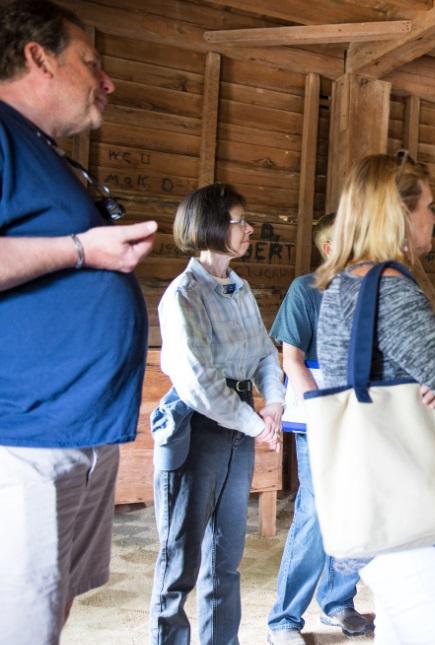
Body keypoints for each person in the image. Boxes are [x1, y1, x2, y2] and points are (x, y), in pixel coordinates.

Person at [0, 2, 157, 642]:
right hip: (22, 436)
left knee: (53, 606)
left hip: (81, 429)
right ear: (38, 57)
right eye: (91, 62)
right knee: (20, 615)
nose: (107, 81)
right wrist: (81, 250)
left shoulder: (45, 152)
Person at [313, 151, 435, 644]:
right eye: (429, 206)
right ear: (400, 213)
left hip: (378, 500)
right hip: (409, 514)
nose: (434, 217)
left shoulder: (342, 285)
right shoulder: (390, 290)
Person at [149, 183, 284, 645]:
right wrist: (256, 424)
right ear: (210, 226)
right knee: (179, 562)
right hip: (198, 428)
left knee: (225, 559)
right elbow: (199, 383)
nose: (248, 229)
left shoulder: (239, 289)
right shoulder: (183, 295)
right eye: (238, 220)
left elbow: (266, 354)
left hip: (241, 426)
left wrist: (275, 405)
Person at [265, 213, 374, 644]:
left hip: (363, 413)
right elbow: (291, 359)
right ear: (329, 249)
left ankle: (338, 603)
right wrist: (325, 409)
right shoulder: (304, 290)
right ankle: (285, 620)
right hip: (319, 416)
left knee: (360, 511)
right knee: (315, 513)